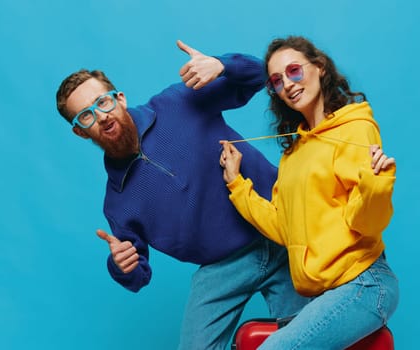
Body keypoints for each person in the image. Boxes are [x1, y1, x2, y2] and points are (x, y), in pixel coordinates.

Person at [55, 40, 308, 350]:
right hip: (222, 268)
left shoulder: (177, 102)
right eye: (86, 115)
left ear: (119, 98)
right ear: (80, 131)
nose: (102, 116)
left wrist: (221, 64)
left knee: (316, 334)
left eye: (103, 102)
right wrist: (123, 266)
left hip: (282, 228)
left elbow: (260, 74)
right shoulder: (117, 203)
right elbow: (138, 274)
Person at [220, 35, 399, 349]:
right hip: (326, 294)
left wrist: (376, 186)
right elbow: (283, 228)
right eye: (277, 80)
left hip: (365, 283)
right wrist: (237, 185)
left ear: (320, 68)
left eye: (294, 71)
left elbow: (367, 224)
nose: (287, 84)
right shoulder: (293, 155)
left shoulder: (355, 128)